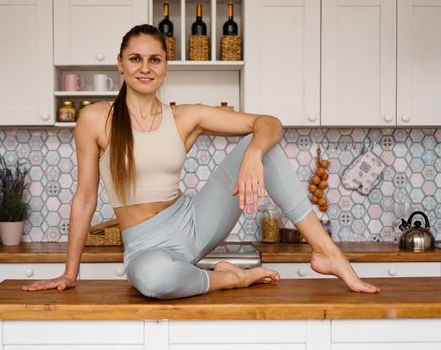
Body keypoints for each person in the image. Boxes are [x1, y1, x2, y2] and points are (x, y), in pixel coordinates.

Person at [23, 24, 380, 299]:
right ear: (120, 64)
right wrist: (70, 273)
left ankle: (329, 254)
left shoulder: (184, 117)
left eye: (155, 59)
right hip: (145, 246)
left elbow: (269, 123)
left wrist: (253, 152)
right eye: (136, 59)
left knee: (263, 146)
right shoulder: (94, 119)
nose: (145, 68)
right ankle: (232, 278)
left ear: (165, 66)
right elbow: (85, 198)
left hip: (196, 222)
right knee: (154, 280)